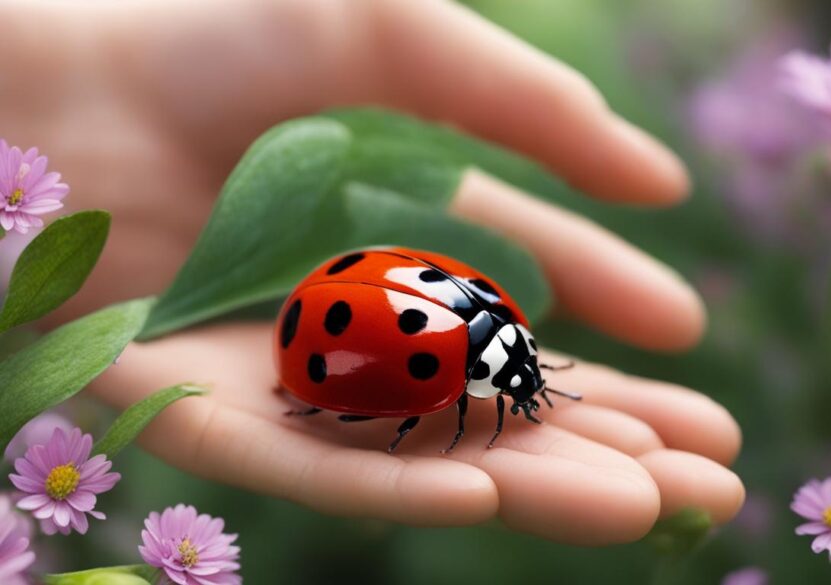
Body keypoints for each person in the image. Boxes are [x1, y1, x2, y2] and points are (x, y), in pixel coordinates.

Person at [2, 0, 744, 545]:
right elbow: (437, 398)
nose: (526, 389)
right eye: (523, 377)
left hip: (336, 297)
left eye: (524, 377)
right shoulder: (462, 369)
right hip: (328, 301)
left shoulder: (484, 333)